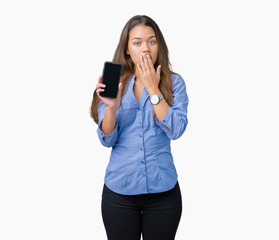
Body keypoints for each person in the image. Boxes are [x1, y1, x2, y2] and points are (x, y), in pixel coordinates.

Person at [90, 15, 189, 240]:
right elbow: (106, 140)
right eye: (137, 42)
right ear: (126, 49)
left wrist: (154, 90)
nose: (145, 48)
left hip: (163, 193)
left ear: (158, 45)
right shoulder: (113, 80)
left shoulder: (175, 83)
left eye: (151, 41)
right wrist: (112, 108)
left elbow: (176, 130)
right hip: (120, 193)